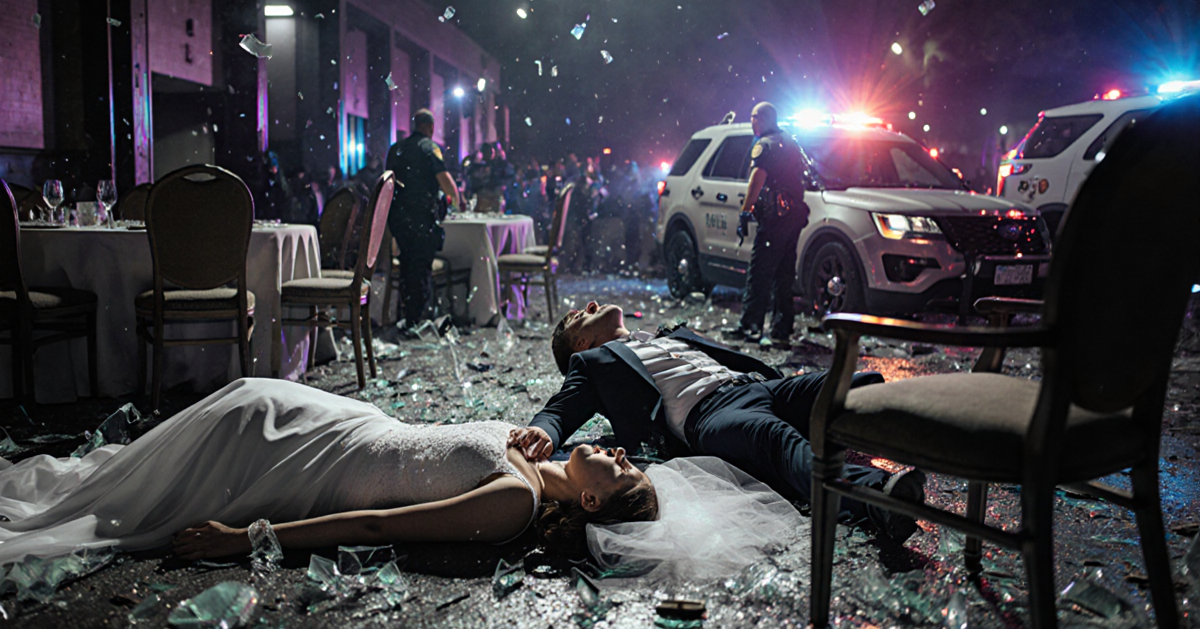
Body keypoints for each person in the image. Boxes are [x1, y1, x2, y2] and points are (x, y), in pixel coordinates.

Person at [0, 378, 657, 565]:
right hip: (327, 419)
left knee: (133, 494)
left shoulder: (515, 503)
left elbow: (377, 525)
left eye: (624, 473)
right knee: (132, 469)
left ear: (593, 505)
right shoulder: (532, 453)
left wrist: (250, 537)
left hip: (305, 466)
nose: (622, 454)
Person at [511, 301, 926, 543]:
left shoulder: (663, 334)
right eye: (580, 316)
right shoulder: (592, 362)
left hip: (761, 387)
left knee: (859, 385)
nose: (591, 305)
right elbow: (560, 408)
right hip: (713, 414)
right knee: (778, 442)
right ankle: (879, 499)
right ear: (580, 344)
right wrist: (543, 431)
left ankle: (943, 439)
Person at [724, 102, 811, 350]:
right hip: (793, 217)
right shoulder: (790, 141)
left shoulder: (764, 145)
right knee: (784, 276)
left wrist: (745, 211)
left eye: (753, 118)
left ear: (761, 119)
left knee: (759, 272)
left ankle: (751, 326)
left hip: (774, 219)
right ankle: (781, 331)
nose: (752, 122)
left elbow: (757, 179)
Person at [385, 109, 461, 330]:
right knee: (420, 268)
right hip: (421, 217)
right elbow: (445, 181)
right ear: (430, 127)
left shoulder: (396, 149)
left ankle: (407, 315)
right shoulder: (430, 147)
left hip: (399, 217)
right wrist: (454, 201)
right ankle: (416, 320)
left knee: (407, 265)